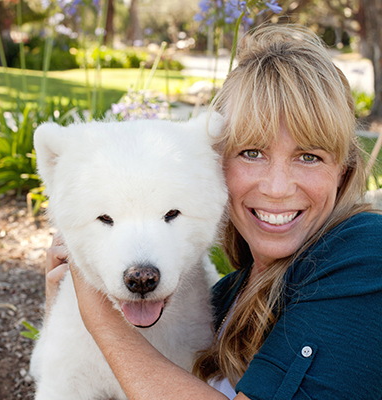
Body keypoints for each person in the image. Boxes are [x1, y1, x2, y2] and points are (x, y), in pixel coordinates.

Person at [45, 24, 382, 400]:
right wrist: (66, 305)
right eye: (252, 153)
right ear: (216, 165)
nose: (277, 187)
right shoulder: (222, 296)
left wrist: (98, 315)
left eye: (309, 156)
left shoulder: (368, 252)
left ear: (344, 170)